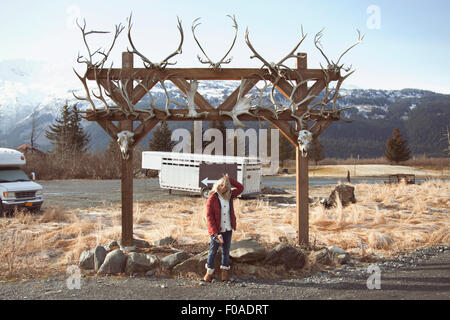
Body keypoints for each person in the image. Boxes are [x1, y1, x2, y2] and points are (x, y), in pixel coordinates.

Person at [203, 174, 243, 282]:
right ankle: (209, 273)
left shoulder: (229, 195)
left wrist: (229, 179)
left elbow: (241, 188)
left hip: (228, 229)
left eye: (225, 186)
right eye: (221, 185)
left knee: (226, 251)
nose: (223, 188)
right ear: (217, 185)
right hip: (217, 231)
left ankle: (224, 273)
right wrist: (215, 233)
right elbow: (209, 216)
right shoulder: (212, 198)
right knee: (213, 251)